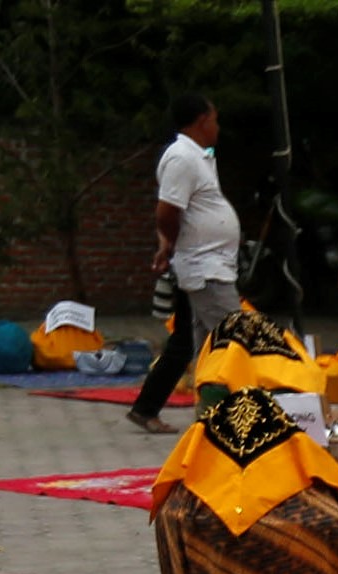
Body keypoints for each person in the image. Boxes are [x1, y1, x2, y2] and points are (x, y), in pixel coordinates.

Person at [128, 95, 238, 432]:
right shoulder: (181, 158)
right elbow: (167, 211)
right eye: (215, 119)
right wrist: (172, 244)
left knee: (193, 344)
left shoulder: (202, 157)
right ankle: (235, 413)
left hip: (208, 263)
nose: (218, 126)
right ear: (202, 119)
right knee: (235, 339)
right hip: (203, 268)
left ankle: (202, 414)